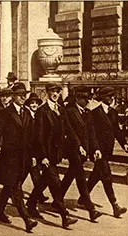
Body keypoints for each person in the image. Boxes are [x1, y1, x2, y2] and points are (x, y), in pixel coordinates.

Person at [26, 82, 80, 229]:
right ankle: (64, 214)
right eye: (53, 91)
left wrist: (79, 145)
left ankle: (30, 204)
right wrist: (42, 156)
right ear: (47, 93)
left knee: (44, 180)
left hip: (56, 153)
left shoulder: (60, 110)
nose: (56, 94)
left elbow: (68, 129)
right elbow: (39, 137)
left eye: (58, 91)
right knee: (55, 182)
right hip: (45, 153)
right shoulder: (42, 111)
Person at [0, 82, 38, 232]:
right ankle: (27, 219)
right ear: (13, 96)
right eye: (20, 95)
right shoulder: (5, 113)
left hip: (23, 158)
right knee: (16, 188)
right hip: (9, 157)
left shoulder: (26, 113)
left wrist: (33, 156)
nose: (23, 97)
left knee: (9, 186)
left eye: (24, 95)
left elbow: (31, 138)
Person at [59, 86, 103, 222]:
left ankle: (57, 199)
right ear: (78, 99)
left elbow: (92, 133)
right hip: (72, 149)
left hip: (83, 151)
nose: (89, 100)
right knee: (80, 176)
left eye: (89, 98)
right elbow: (70, 131)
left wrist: (95, 148)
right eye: (86, 98)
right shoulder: (69, 112)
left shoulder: (87, 113)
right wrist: (78, 146)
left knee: (70, 175)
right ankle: (91, 209)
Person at [85, 86, 128, 218]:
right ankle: (115, 205)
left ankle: (83, 197)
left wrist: (124, 144)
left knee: (96, 175)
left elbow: (117, 131)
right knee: (106, 176)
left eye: (113, 96)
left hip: (107, 150)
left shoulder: (113, 112)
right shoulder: (94, 113)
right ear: (103, 97)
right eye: (109, 96)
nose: (111, 98)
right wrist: (94, 149)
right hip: (97, 151)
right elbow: (91, 133)